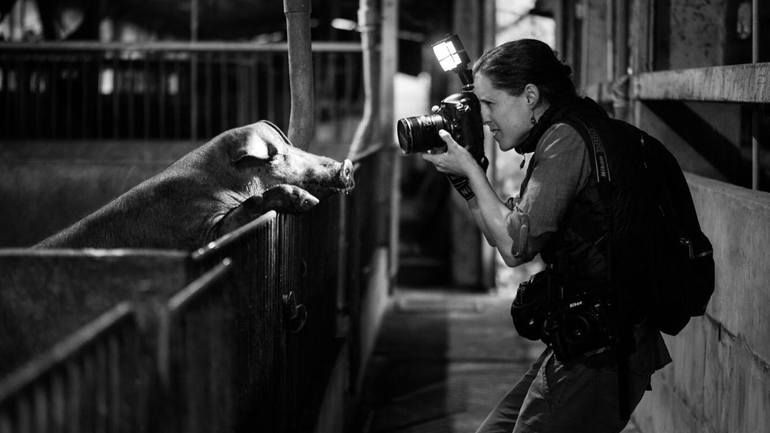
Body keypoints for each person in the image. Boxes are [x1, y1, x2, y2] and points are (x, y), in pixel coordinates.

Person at [422, 39, 671, 433]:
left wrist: (471, 170)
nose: (484, 118)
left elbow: (513, 248)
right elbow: (504, 240)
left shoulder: (566, 140)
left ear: (530, 96)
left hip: (604, 348)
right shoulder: (566, 131)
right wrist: (469, 183)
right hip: (583, 338)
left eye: (490, 103)